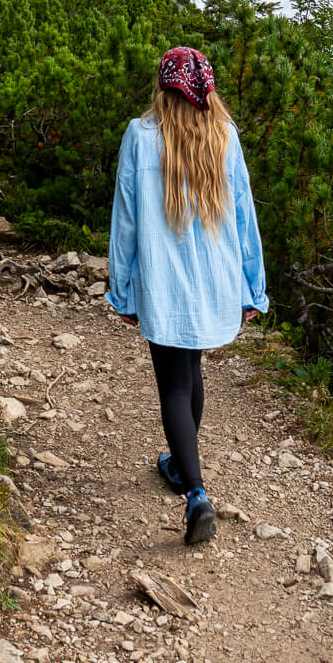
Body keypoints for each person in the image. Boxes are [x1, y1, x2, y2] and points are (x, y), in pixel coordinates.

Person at [106, 46, 269, 546]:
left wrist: (122, 288)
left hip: (164, 280)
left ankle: (196, 492)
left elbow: (126, 218)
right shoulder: (225, 136)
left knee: (175, 384)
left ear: (162, 87)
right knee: (192, 370)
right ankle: (180, 464)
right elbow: (245, 216)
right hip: (215, 279)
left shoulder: (142, 135)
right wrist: (252, 285)